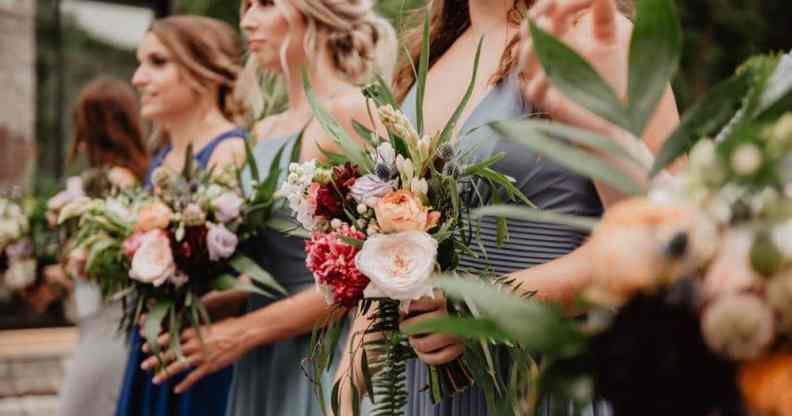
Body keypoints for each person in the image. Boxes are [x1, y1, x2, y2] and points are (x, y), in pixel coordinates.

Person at [337, 0, 681, 414]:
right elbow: (389, 256)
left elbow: (663, 237)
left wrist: (481, 306)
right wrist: (344, 393)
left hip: (540, 380)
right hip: (419, 394)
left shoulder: (598, 38)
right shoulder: (430, 56)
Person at [139, 1, 396, 415]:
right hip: (264, 358)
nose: (247, 22)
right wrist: (218, 303)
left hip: (326, 354)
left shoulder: (350, 112)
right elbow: (277, 262)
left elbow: (376, 273)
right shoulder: (264, 130)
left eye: (264, 4)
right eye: (243, 7)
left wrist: (244, 331)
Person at [115, 15, 247, 416]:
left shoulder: (231, 152)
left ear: (203, 70)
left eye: (157, 62)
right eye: (140, 63)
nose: (138, 78)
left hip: (202, 358)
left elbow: (253, 277)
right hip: (152, 348)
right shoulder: (160, 159)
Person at [56, 77, 149, 416]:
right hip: (95, 320)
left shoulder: (118, 180)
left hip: (111, 322)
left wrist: (77, 260)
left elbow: (117, 255)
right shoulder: (113, 177)